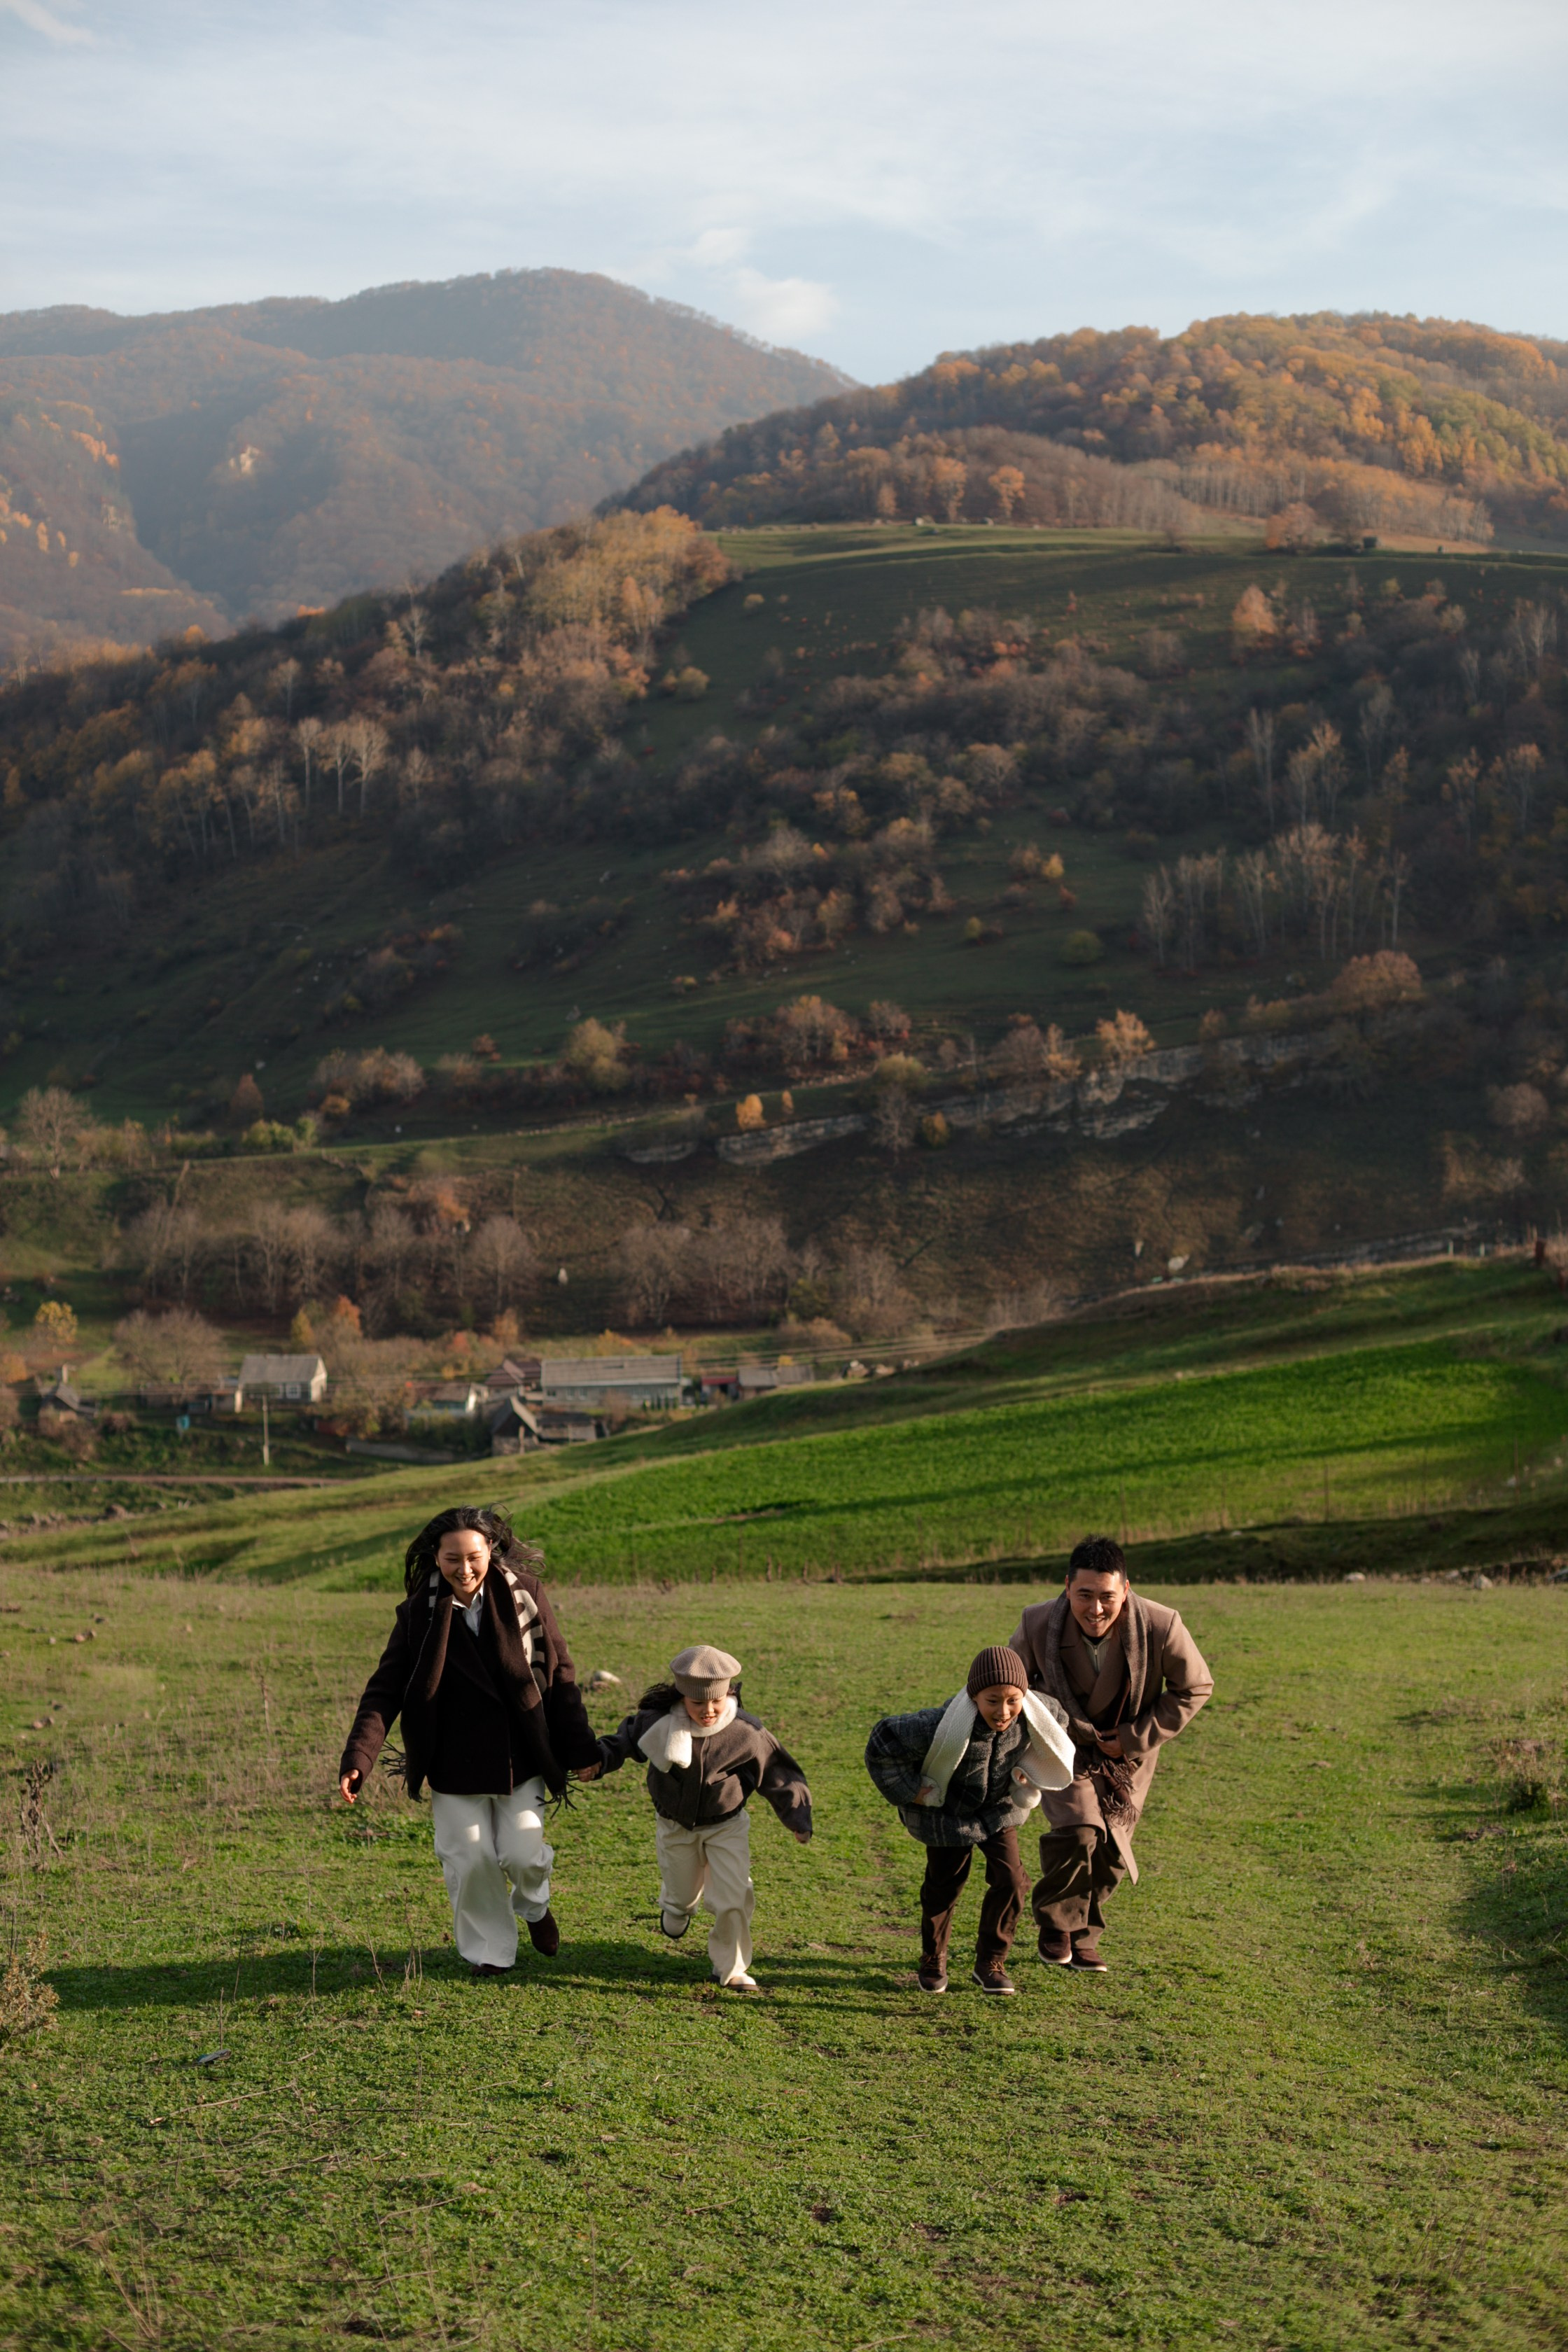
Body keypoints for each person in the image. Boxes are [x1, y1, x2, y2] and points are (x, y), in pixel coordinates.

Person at [337, 1504, 599, 1977]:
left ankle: (535, 1907)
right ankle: (491, 1954)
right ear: (435, 1558)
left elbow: (560, 1674)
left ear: (491, 1550)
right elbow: (386, 1687)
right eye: (452, 1558)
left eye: (474, 1556)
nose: (465, 1569)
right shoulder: (419, 1612)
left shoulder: (527, 1596)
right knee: (470, 1857)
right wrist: (360, 1757)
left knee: (522, 1854)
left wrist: (581, 1749)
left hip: (520, 1755)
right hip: (452, 1761)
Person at [1011, 1536, 1213, 1973]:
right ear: (1067, 1587)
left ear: (1126, 1588)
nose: (1096, 1608)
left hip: (1130, 1754)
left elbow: (1195, 1686)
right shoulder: (1036, 1623)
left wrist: (1135, 1736)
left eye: (1107, 1596)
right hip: (1062, 1745)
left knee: (1114, 1854)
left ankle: (1083, 1936)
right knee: (1080, 1830)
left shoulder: (1163, 1625)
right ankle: (1056, 1923)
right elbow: (1009, 1683)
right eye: (1085, 1595)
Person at [578, 1644, 811, 1991]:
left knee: (734, 1896)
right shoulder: (655, 1723)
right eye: (698, 1703)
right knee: (682, 1895)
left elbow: (779, 1772)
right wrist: (597, 1762)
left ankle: (731, 1968)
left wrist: (798, 1816)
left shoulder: (746, 1732)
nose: (708, 1711)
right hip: (675, 1825)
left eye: (715, 1701)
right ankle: (676, 1907)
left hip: (726, 1825)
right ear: (682, 1695)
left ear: (727, 1693)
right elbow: (621, 1743)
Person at [864, 1644, 1074, 1996]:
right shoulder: (938, 1725)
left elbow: (1060, 1726)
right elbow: (882, 1741)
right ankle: (933, 1958)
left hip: (997, 1807)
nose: (1003, 1711)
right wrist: (911, 1790)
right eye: (992, 1700)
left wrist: (1029, 1769)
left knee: (1012, 1881)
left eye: (1012, 1699)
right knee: (944, 1887)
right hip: (946, 1812)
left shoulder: (1038, 1712)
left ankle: (990, 1962)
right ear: (974, 1695)